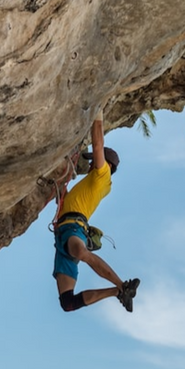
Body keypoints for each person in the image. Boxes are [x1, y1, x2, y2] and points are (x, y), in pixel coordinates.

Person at [52, 110, 139, 312]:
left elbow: (98, 143)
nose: (90, 164)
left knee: (81, 253)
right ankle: (118, 292)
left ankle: (122, 285)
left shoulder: (103, 175)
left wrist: (97, 112)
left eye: (93, 161)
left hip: (73, 228)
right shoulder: (94, 183)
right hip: (63, 235)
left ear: (105, 164)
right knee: (68, 303)